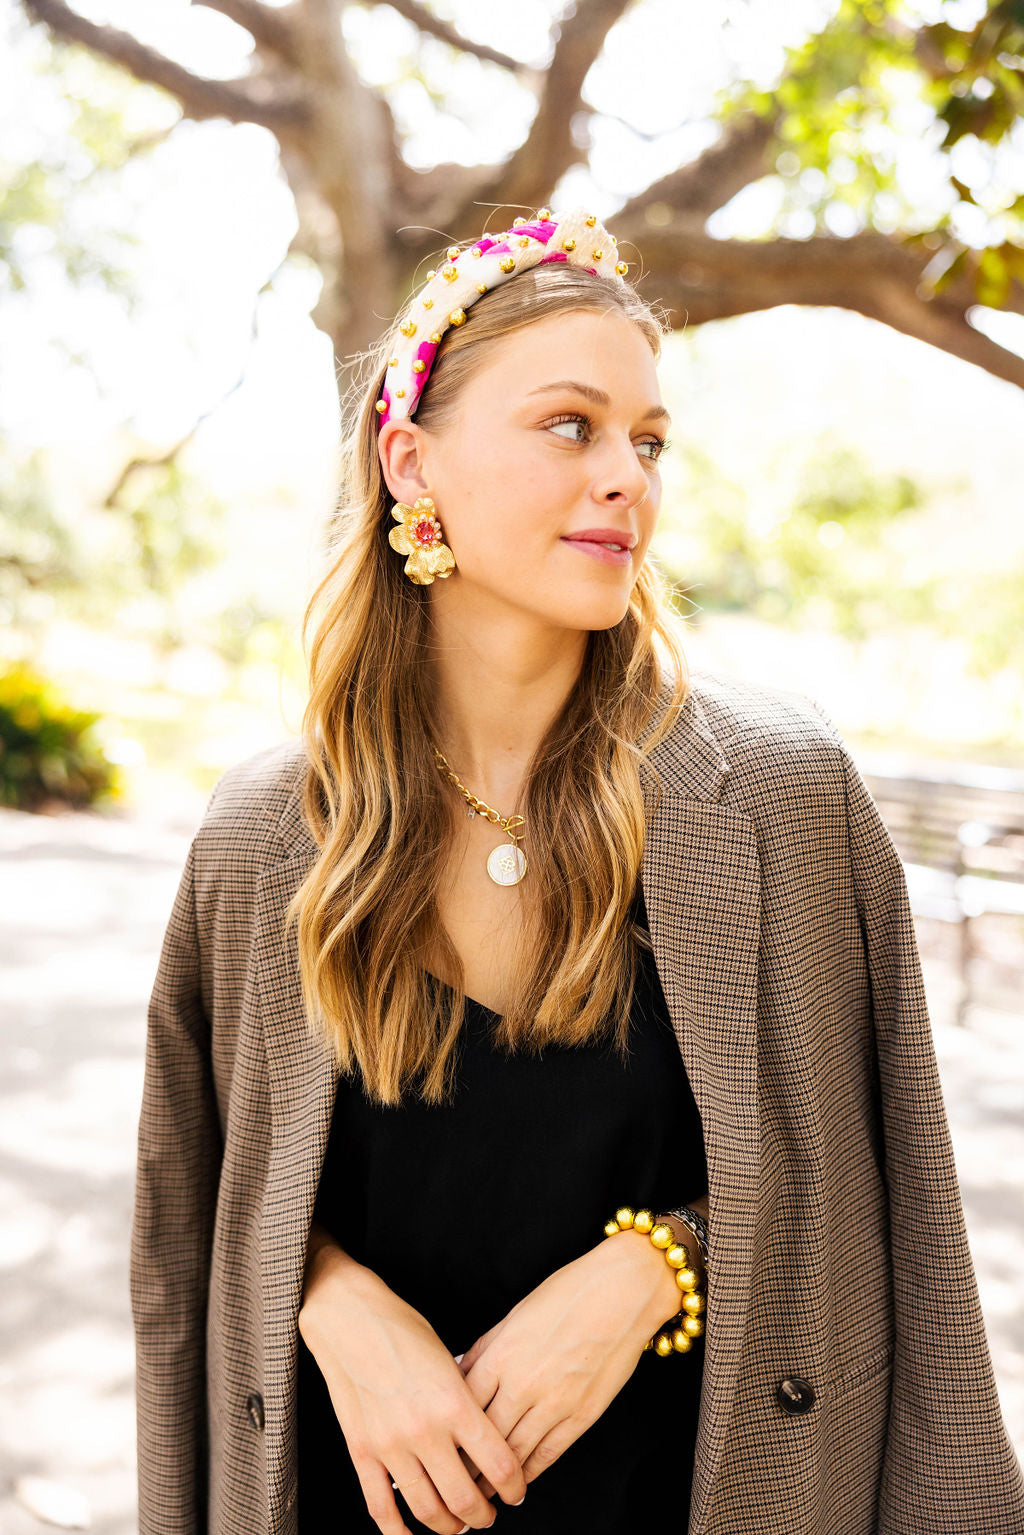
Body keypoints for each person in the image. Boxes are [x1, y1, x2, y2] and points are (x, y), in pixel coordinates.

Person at [130, 206, 1024, 1535]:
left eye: (648, 440)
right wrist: (330, 1296)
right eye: (571, 425)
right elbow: (190, 1222)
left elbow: (887, 1213)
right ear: (408, 460)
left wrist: (663, 1265)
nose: (629, 478)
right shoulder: (264, 836)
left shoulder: (782, 794)